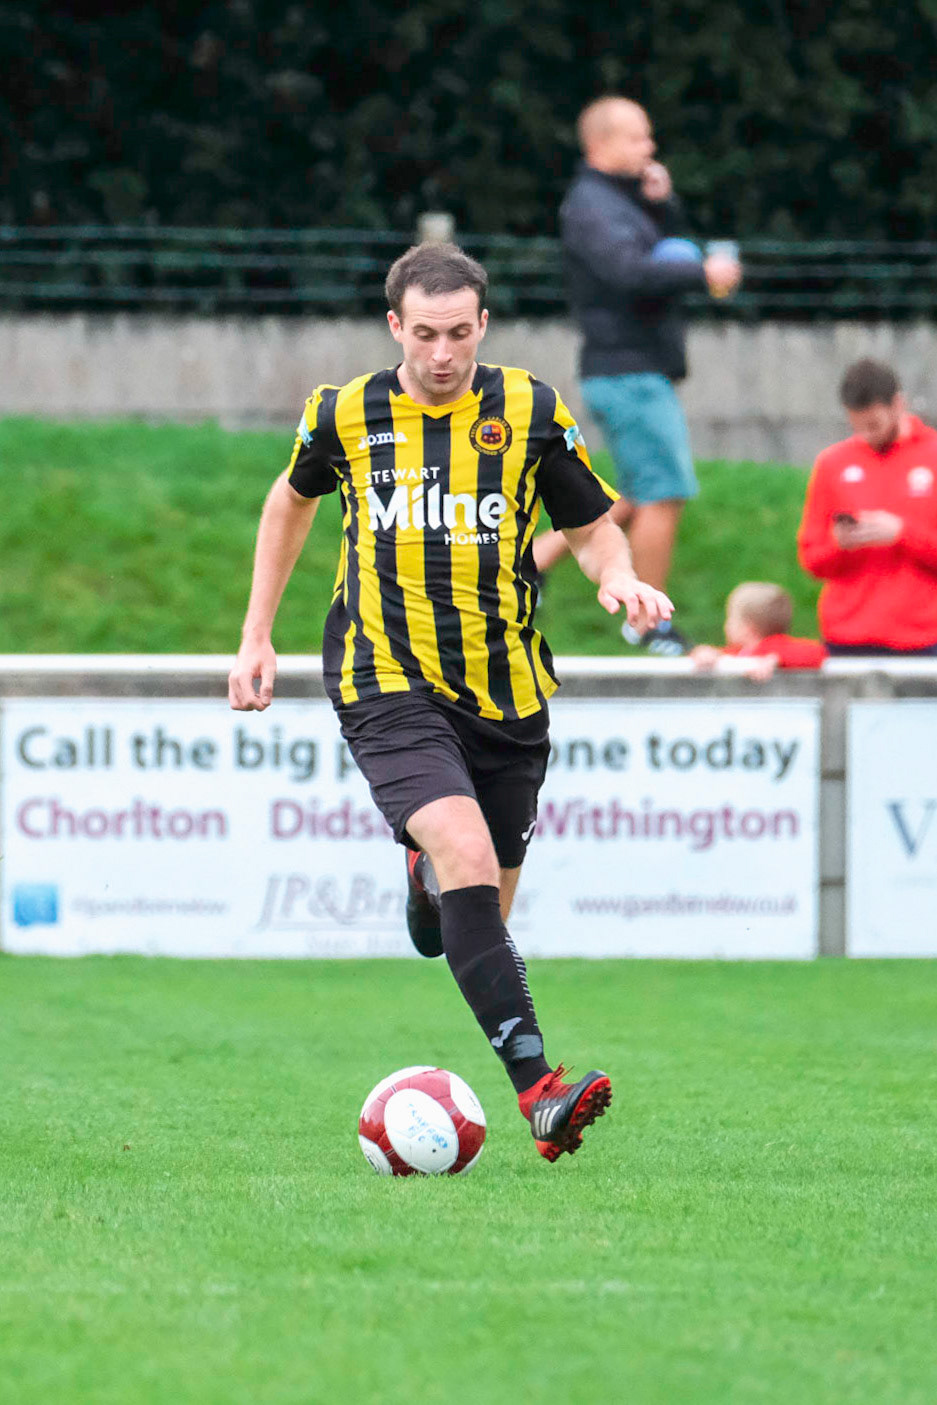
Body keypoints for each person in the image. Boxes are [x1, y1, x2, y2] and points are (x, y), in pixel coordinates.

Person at [228, 242, 672, 1162]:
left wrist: (617, 579)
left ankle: (426, 889)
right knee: (464, 850)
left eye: (458, 334)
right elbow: (289, 501)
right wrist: (255, 635)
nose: (442, 354)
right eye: (424, 334)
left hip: (507, 690)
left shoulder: (529, 409)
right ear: (395, 326)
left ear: (484, 325)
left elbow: (590, 527)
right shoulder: (346, 412)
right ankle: (541, 1093)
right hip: (383, 676)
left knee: (481, 907)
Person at [531, 95, 742, 655]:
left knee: (643, 487)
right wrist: (703, 271)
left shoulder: (621, 202)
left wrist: (663, 205)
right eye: (638, 138)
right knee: (665, 490)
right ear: (600, 146)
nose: (650, 149)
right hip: (627, 369)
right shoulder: (591, 206)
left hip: (636, 368)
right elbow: (629, 272)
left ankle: (535, 559)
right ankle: (648, 622)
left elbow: (653, 250)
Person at [798, 359, 937, 656]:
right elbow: (811, 557)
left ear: (898, 404)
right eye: (857, 427)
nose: (867, 436)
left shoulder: (932, 455)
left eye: (874, 425)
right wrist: (839, 544)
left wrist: (902, 533)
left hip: (922, 636)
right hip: (846, 634)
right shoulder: (832, 463)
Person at [691, 582, 827, 680]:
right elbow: (725, 655)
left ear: (746, 628)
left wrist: (776, 659)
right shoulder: (741, 651)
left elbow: (816, 653)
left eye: (730, 618)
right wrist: (707, 654)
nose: (726, 624)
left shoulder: (776, 646)